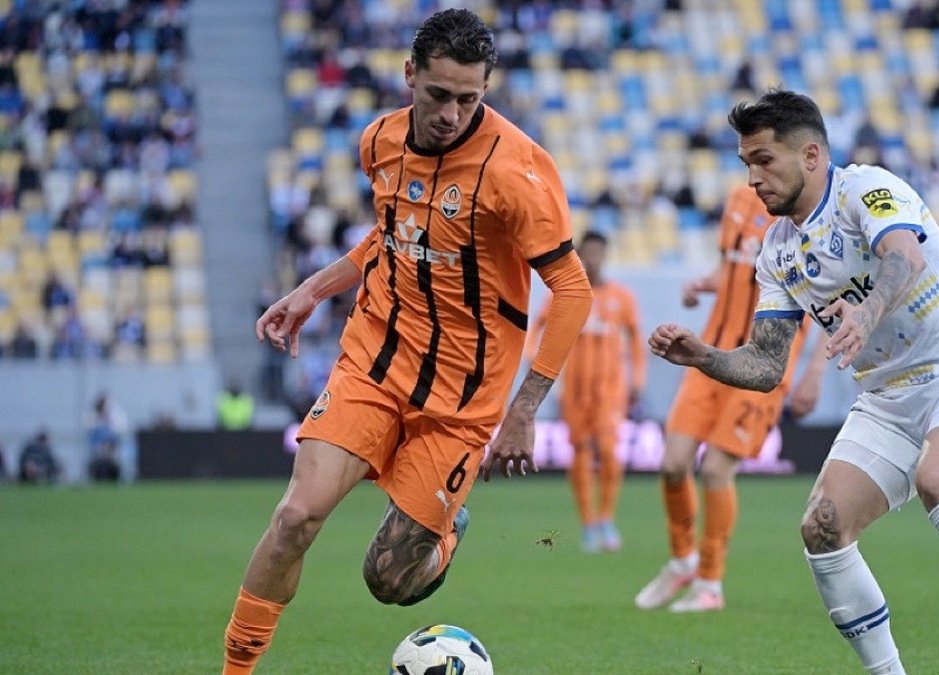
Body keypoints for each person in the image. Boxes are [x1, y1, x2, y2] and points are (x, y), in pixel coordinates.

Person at [221, 10, 592, 674]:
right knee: (296, 517)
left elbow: (572, 288)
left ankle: (446, 532)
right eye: (438, 94)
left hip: (462, 397)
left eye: (468, 99)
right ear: (409, 74)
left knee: (388, 580)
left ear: (485, 89)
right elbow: (394, 233)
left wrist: (525, 408)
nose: (451, 114)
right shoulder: (379, 141)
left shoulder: (516, 172)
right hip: (375, 362)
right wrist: (313, 289)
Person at [648, 90, 939, 675]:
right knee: (821, 527)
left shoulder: (865, 189)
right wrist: (702, 355)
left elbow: (904, 257)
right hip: (887, 399)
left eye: (763, 160)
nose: (752, 179)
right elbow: (766, 365)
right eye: (745, 163)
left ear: (811, 155)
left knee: (938, 477)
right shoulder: (777, 251)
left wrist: (868, 313)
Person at [634, 183, 827, 614]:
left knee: (716, 469)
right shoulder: (739, 200)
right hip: (710, 356)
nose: (754, 168)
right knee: (673, 464)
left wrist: (813, 374)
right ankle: (682, 561)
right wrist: (703, 285)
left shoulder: (808, 212)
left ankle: (710, 582)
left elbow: (829, 304)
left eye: (761, 157)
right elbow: (731, 269)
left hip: (762, 367)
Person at [528, 230, 645, 553]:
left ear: (605, 256)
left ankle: (606, 517)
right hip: (575, 390)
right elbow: (537, 326)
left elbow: (636, 339)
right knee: (579, 452)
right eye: (587, 254)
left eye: (597, 253)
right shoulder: (566, 295)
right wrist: (533, 360)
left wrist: (638, 380)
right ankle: (588, 523)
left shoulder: (622, 297)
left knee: (608, 450)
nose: (592, 260)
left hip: (610, 391)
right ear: (578, 257)